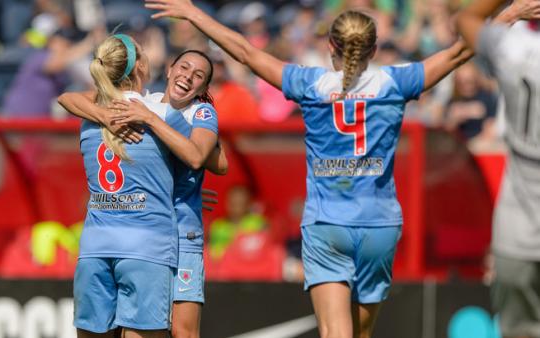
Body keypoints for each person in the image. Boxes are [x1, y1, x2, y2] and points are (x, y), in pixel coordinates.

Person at [144, 1, 539, 337]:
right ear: (374, 47)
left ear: (330, 45)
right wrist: (510, 15)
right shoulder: (395, 81)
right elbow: (458, 51)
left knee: (336, 333)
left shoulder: (309, 83)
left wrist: (194, 13)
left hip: (327, 224)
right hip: (378, 226)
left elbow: (245, 52)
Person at [59, 49, 227, 338]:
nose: (188, 76)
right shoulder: (147, 102)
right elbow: (67, 98)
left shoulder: (199, 111)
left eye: (198, 75)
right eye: (184, 67)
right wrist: (104, 115)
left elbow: (214, 162)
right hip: (150, 231)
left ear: (204, 88)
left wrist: (151, 121)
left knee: (182, 331)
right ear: (170, 68)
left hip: (182, 233)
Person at [66, 33, 176, 338]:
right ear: (139, 66)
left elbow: (68, 98)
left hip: (95, 247)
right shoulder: (161, 114)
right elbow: (205, 157)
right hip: (146, 247)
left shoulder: (88, 119)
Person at [457, 2, 540, 338]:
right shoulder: (514, 46)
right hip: (518, 220)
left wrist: (514, 9)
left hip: (518, 220)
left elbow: (464, 19)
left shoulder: (514, 47)